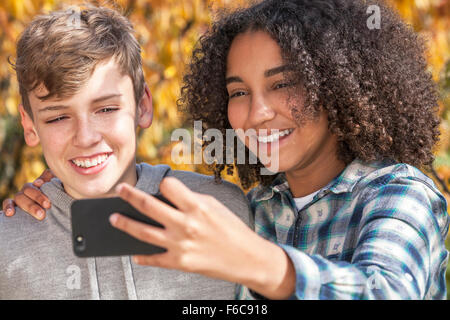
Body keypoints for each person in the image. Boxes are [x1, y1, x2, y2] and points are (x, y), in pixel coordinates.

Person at [5, 0, 449, 300]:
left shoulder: (399, 194)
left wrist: (261, 264)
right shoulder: (257, 207)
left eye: (283, 83)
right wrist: (53, 194)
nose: (257, 113)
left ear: (336, 84)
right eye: (238, 92)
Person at [0, 5, 251, 299]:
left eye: (106, 109)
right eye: (57, 117)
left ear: (143, 106)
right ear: (29, 126)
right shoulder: (8, 241)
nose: (86, 138)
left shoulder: (222, 209)